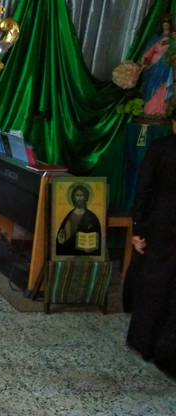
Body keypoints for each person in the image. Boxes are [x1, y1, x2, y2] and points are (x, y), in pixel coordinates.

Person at [126, 112, 176, 378]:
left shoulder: (161, 148)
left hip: (162, 225)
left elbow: (144, 188)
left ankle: (145, 342)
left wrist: (138, 229)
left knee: (154, 283)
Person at [140, 15, 175, 115]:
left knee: (164, 85)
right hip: (154, 64)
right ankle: (149, 108)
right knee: (151, 84)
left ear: (170, 26)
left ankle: (161, 109)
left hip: (166, 65)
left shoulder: (172, 39)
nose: (165, 27)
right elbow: (150, 51)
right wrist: (146, 60)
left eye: (167, 25)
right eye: (164, 25)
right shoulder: (156, 37)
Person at [55, 185, 102, 257]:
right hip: (69, 252)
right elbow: (62, 238)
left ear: (85, 197)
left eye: (81, 195)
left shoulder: (91, 216)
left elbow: (96, 237)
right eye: (77, 195)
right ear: (73, 197)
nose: (79, 198)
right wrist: (61, 241)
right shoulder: (68, 215)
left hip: (85, 254)